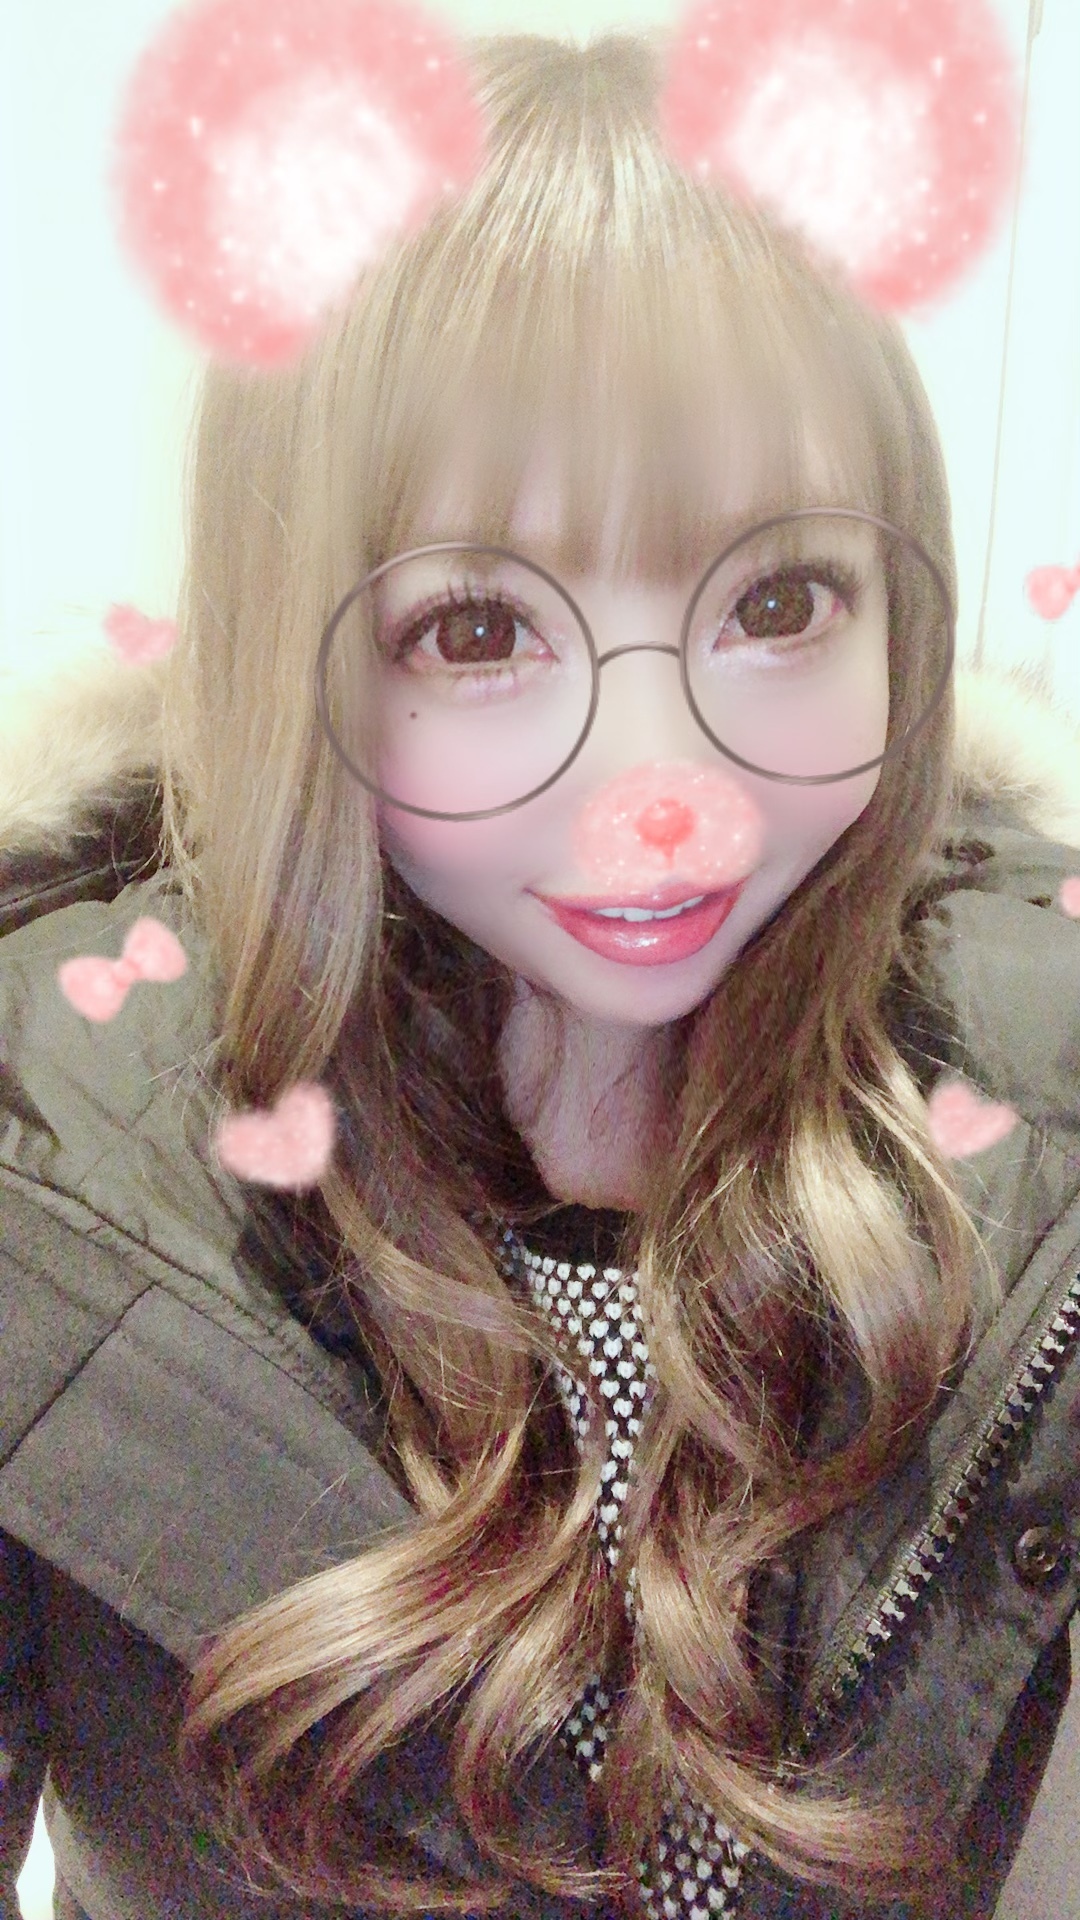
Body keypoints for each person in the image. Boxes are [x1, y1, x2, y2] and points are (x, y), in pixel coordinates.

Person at [3, 26, 1080, 1920]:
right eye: (481, 629)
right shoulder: (47, 1169)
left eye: (778, 602)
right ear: (296, 655)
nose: (661, 785)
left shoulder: (1041, 1113)